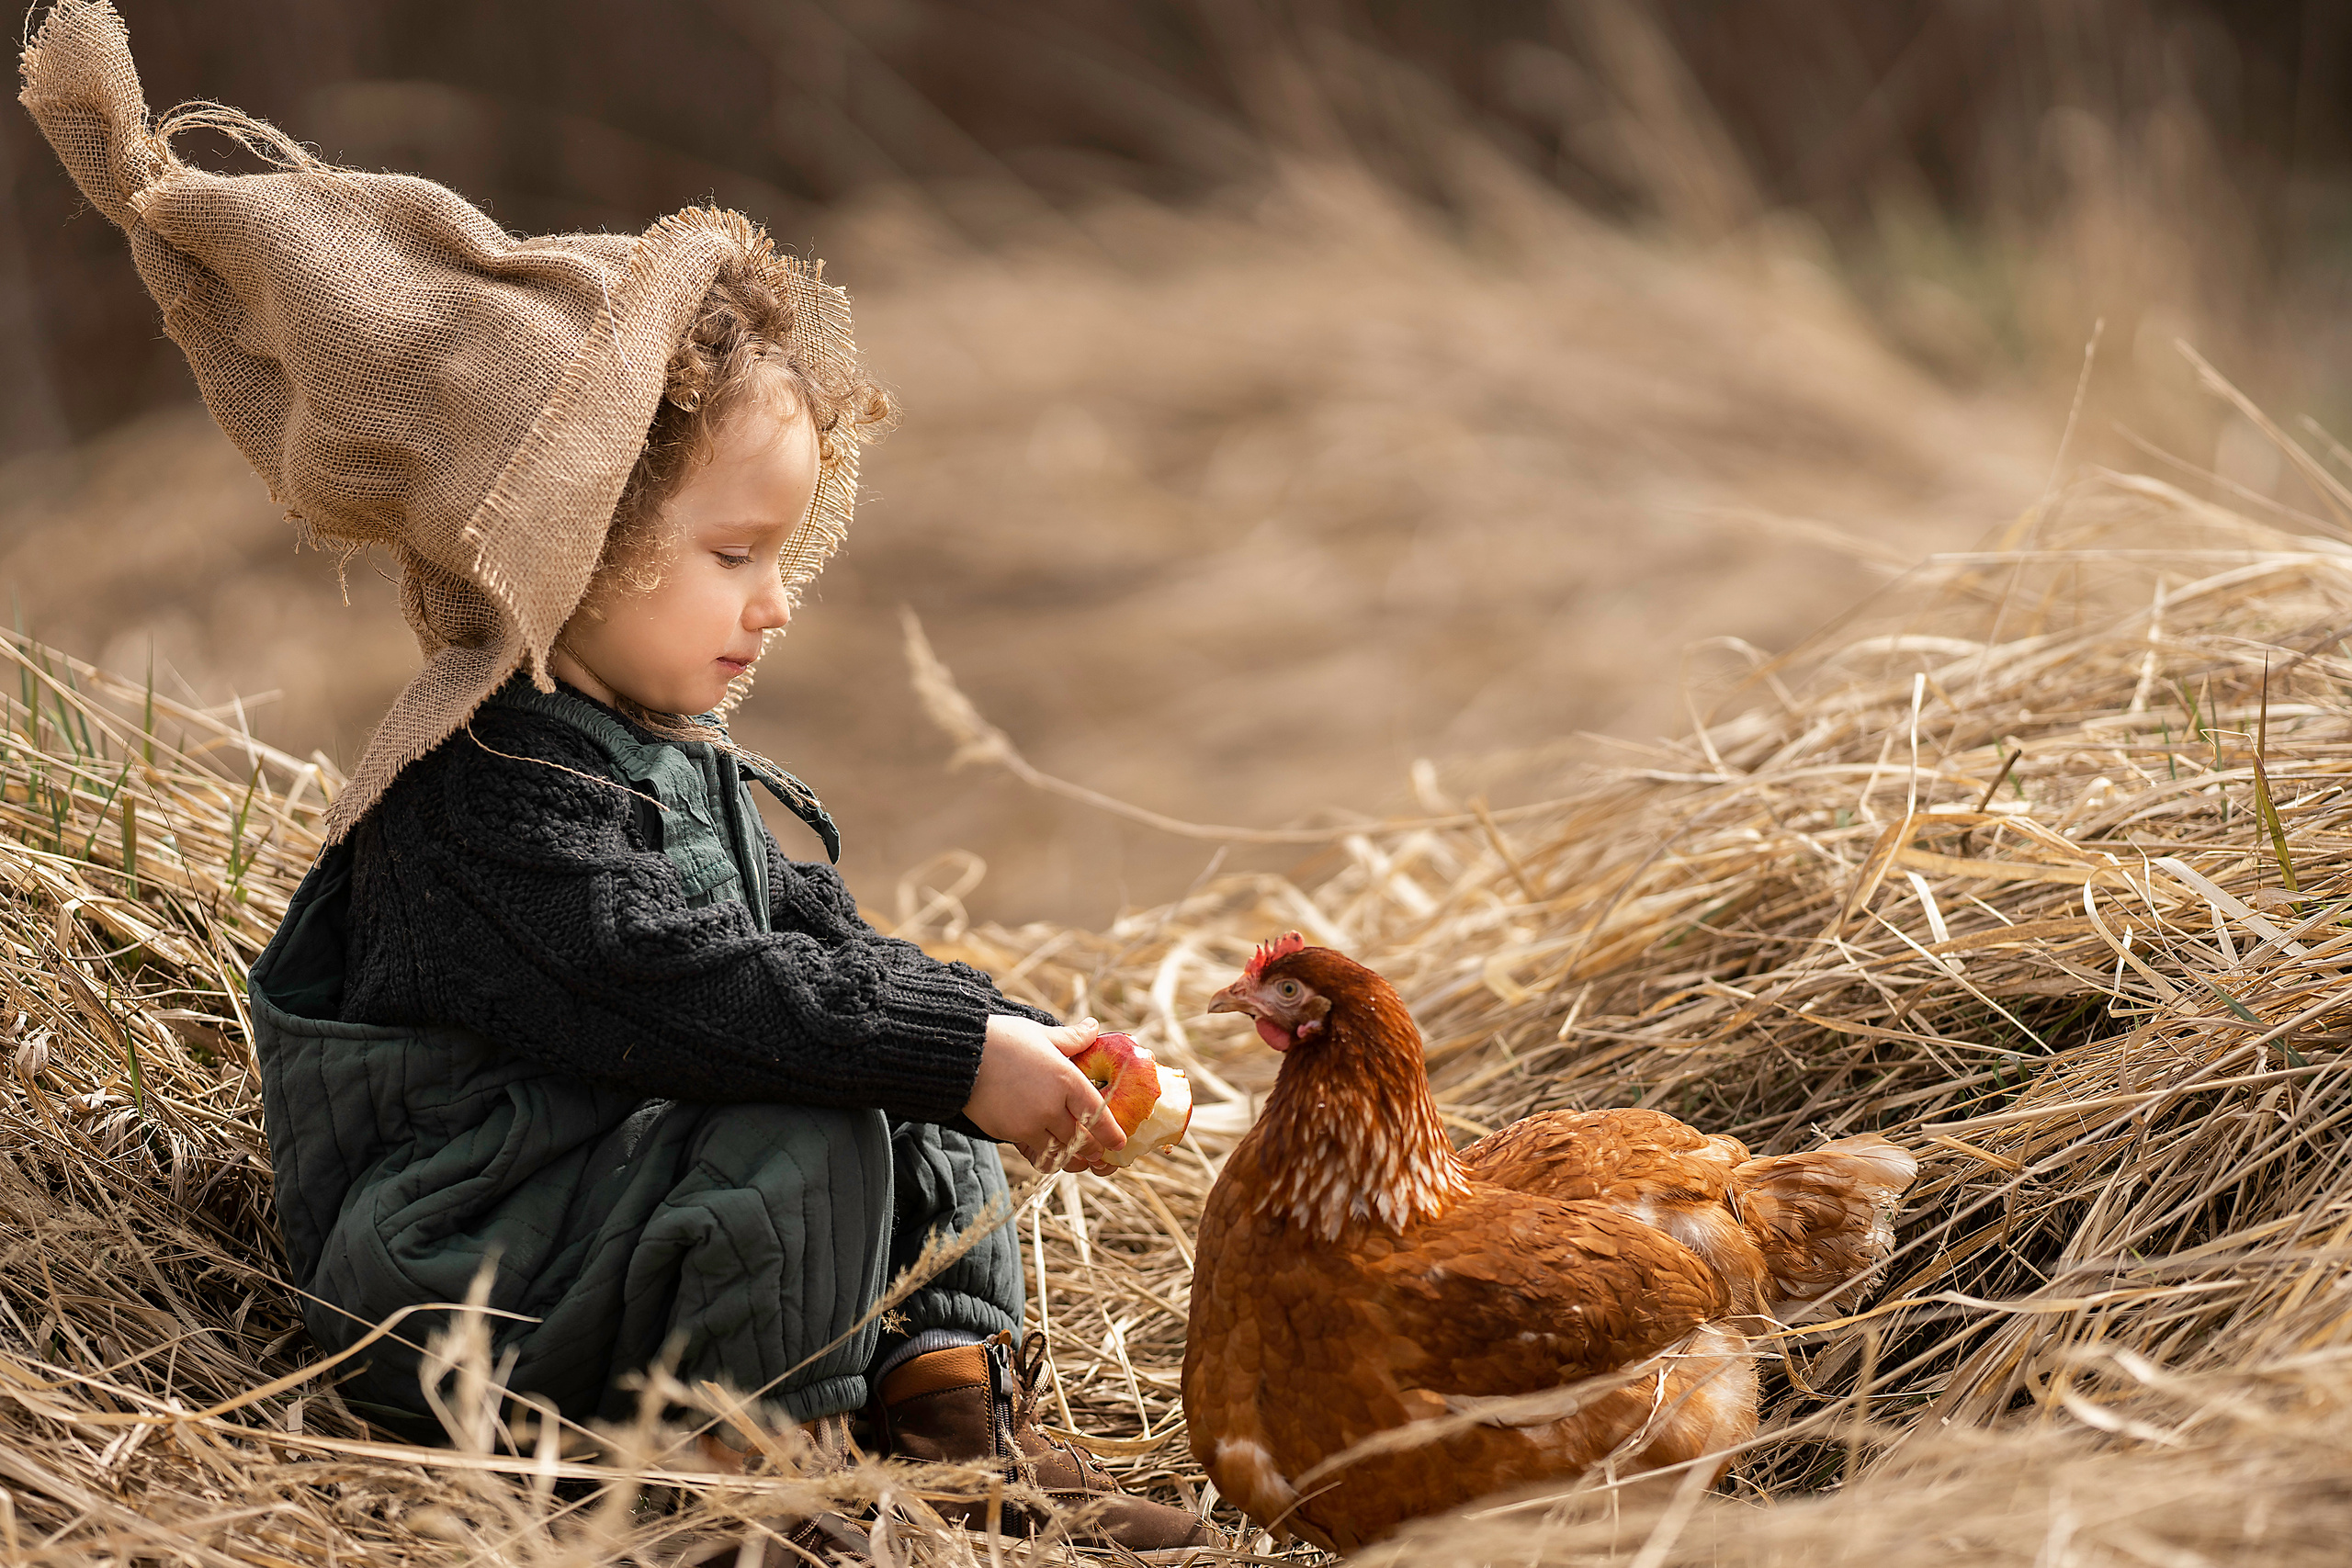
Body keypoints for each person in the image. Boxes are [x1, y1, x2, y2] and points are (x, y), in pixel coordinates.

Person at [19, 2, 1211, 1559]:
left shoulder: (662, 765)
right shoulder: (481, 797)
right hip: (457, 1267)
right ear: (569, 540)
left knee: (911, 1068)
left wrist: (1021, 1042)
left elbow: (826, 961)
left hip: (602, 1206)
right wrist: (937, 1052)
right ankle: (753, 1482)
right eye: (735, 556)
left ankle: (946, 1427)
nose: (775, 604)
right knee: (826, 1113)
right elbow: (682, 987)